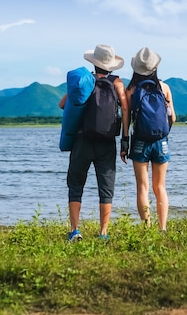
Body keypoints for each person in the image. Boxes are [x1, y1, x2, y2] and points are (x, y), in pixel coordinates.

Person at [59, 44, 130, 241]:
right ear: (111, 65)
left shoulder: (85, 82)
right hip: (107, 142)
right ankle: (103, 233)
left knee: (75, 185)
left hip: (82, 140)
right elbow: (125, 108)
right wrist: (125, 139)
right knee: (106, 188)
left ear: (94, 63)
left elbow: (62, 104)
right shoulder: (117, 83)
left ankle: (74, 231)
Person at [125, 47, 176, 231]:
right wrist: (162, 133)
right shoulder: (164, 87)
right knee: (160, 187)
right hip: (161, 142)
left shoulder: (130, 90)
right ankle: (162, 229)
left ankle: (147, 228)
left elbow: (127, 120)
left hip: (139, 142)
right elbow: (173, 118)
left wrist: (125, 144)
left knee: (142, 187)